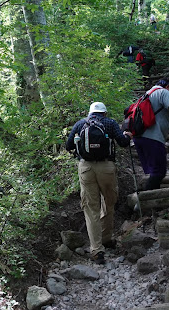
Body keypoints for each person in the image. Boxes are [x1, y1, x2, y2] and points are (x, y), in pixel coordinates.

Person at [66, 102, 132, 264]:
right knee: (109, 202)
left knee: (91, 209)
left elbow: (68, 146)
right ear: (104, 113)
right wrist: (128, 136)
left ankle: (96, 250)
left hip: (86, 168)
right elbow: (123, 142)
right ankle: (107, 238)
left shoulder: (80, 124)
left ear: (90, 113)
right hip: (106, 167)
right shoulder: (109, 123)